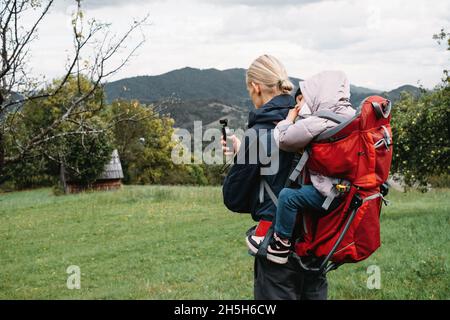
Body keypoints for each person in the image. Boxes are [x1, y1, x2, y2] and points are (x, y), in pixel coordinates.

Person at [222, 55, 328, 300]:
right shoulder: (309, 124)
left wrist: (243, 157)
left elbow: (233, 199)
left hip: (277, 248)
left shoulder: (257, 134)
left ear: (256, 87)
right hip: (315, 241)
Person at [246, 71, 356, 265]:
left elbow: (284, 139)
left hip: (326, 191)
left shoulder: (321, 120)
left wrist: (289, 120)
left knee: (288, 197)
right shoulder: (351, 117)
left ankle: (280, 244)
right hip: (345, 189)